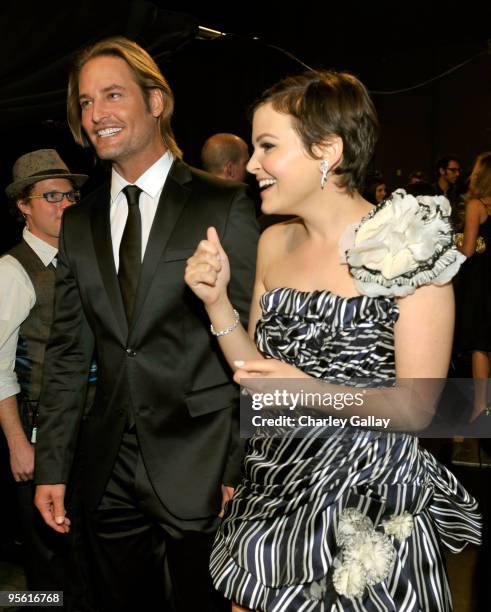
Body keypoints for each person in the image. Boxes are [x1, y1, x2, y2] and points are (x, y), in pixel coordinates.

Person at [185, 70, 481, 611]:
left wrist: (310, 388)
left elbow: (418, 410)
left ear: (328, 150)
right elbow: (257, 379)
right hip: (273, 492)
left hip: (361, 510)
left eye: (267, 146)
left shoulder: (408, 247)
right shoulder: (273, 243)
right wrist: (216, 302)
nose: (251, 164)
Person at [33, 36, 258, 612]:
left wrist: (241, 461)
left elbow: (256, 347)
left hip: (202, 464)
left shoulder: (221, 202)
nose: (96, 115)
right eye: (85, 103)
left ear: (156, 102)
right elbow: (65, 353)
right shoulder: (79, 221)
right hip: (107, 467)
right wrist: (51, 467)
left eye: (112, 95)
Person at [0, 149, 87, 595]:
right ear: (23, 205)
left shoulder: (81, 261)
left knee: (78, 554)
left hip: (81, 430)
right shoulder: (13, 271)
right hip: (37, 434)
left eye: (69, 195)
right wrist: (17, 443)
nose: (64, 205)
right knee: (46, 564)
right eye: (50, 196)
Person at [455, 152, 491, 421]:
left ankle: (481, 406)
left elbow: (467, 250)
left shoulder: (477, 205)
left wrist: (454, 242)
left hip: (482, 278)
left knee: (481, 343)